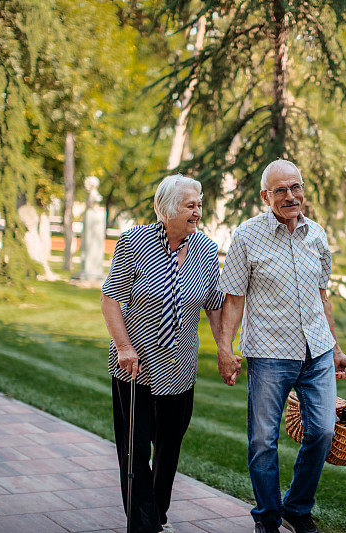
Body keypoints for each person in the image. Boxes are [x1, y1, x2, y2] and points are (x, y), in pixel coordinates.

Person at [216, 160, 346, 533]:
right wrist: (226, 349)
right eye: (280, 190)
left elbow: (322, 296)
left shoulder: (317, 235)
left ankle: (297, 507)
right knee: (264, 440)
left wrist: (336, 347)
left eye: (295, 187)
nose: (290, 196)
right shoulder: (246, 236)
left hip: (318, 352)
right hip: (269, 353)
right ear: (265, 196)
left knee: (324, 432)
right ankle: (267, 516)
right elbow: (233, 298)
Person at [100, 174, 224, 533]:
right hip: (135, 367)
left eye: (200, 205)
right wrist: (124, 347)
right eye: (190, 206)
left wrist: (223, 349)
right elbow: (110, 301)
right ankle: (143, 525)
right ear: (167, 209)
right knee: (135, 452)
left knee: (169, 451)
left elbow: (213, 305)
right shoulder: (134, 242)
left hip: (180, 368)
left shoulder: (206, 249)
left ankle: (156, 514)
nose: (198, 212)